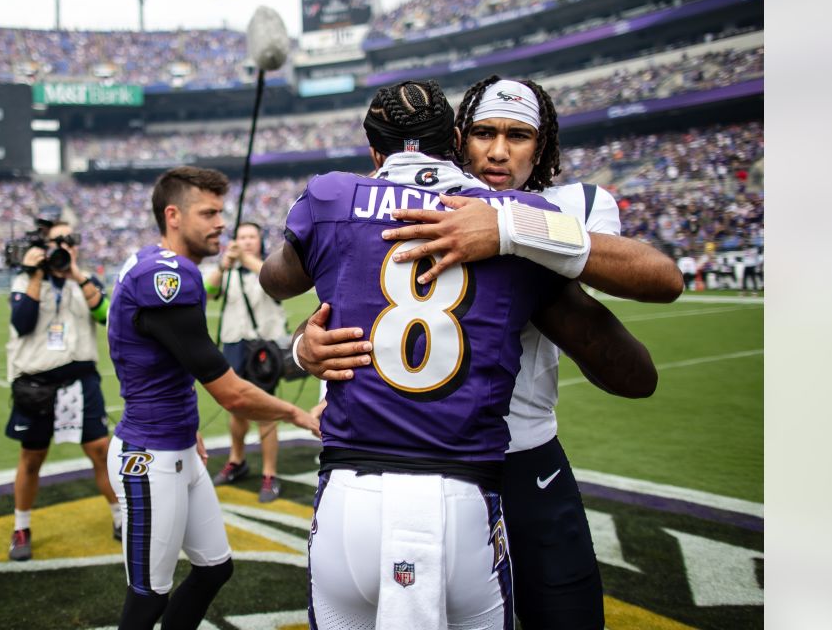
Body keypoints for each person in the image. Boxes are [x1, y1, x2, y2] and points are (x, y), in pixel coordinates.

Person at [259, 80, 656, 629]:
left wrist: (512, 231)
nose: (497, 151)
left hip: (518, 458)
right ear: (454, 139)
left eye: (517, 136)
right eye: (483, 133)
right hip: (451, 468)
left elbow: (653, 295)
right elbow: (348, 306)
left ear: (542, 146)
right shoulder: (480, 203)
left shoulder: (554, 210)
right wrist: (306, 346)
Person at [105, 166, 321, 630]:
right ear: (173, 216)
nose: (221, 222)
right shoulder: (165, 278)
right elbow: (230, 393)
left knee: (215, 567)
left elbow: (171, 361)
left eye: (221, 211)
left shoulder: (160, 263)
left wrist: (190, 427)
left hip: (180, 444)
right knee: (147, 599)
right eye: (208, 212)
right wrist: (299, 415)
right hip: (149, 454)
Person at [5, 218, 120, 561]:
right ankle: (21, 526)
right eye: (57, 242)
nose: (65, 247)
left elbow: (108, 316)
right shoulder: (24, 280)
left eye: (70, 240)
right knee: (32, 457)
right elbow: (21, 321)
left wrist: (77, 276)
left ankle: (120, 518)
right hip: (37, 383)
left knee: (101, 450)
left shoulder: (84, 281)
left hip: (80, 379)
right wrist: (37, 273)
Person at [204, 221, 290, 503]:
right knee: (236, 409)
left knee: (265, 411)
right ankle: (237, 460)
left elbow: (276, 285)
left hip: (262, 348)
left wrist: (246, 259)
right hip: (233, 343)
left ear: (260, 241)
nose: (246, 241)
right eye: (241, 237)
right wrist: (223, 266)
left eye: (252, 236)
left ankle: (269, 474)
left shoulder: (272, 266)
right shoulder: (229, 269)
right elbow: (207, 293)